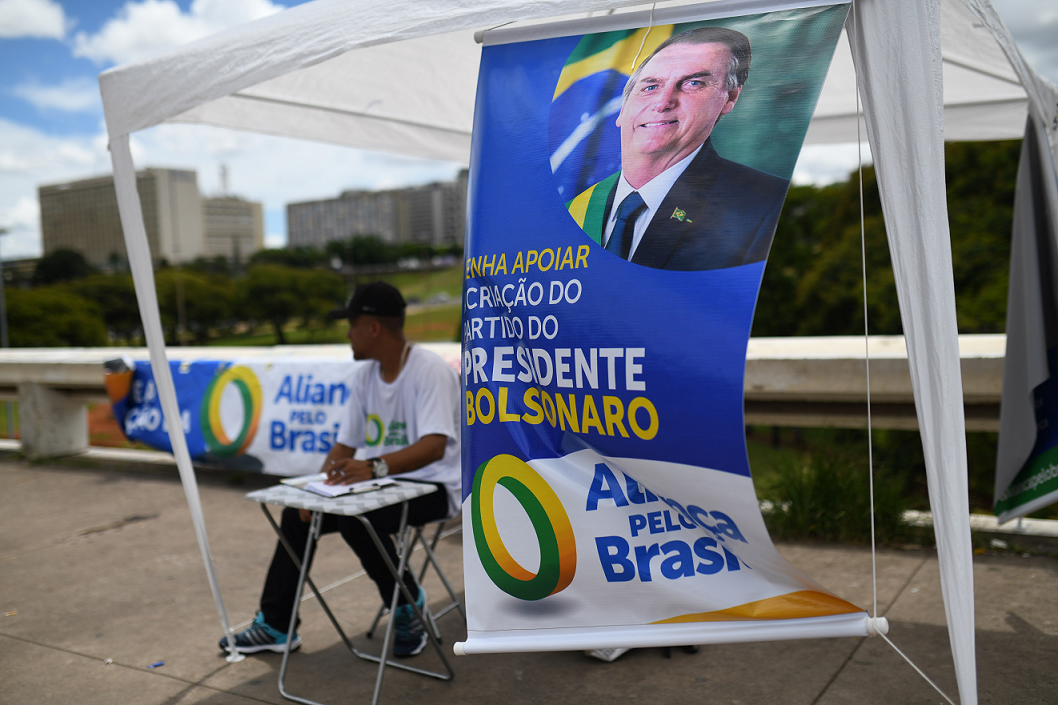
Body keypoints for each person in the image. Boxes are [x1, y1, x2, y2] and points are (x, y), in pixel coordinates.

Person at [220, 281, 461, 658]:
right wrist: (315, 492)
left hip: (436, 488)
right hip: (384, 485)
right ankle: (277, 623)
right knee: (296, 517)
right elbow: (344, 446)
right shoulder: (366, 376)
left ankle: (407, 605)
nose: (348, 333)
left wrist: (375, 466)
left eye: (352, 324)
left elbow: (434, 446)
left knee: (355, 519)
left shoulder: (429, 370)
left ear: (374, 327)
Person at [567, 27, 789, 271]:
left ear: (729, 98)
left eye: (693, 83)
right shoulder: (576, 208)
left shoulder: (767, 206)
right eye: (650, 87)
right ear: (622, 109)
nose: (663, 103)